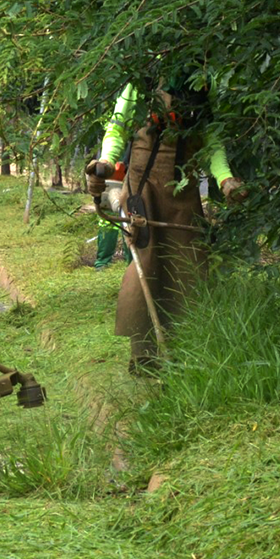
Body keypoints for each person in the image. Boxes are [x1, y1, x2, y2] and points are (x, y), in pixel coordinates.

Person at [85, 78, 245, 370]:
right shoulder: (142, 81)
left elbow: (212, 142)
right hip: (143, 189)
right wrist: (106, 162)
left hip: (183, 192)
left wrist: (225, 179)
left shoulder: (204, 85)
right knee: (146, 261)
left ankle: (185, 347)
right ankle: (143, 352)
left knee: (189, 264)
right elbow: (117, 127)